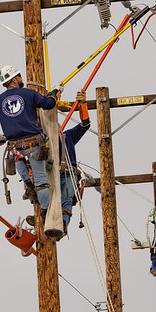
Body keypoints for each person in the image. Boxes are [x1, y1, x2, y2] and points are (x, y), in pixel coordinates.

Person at [0, 65, 60, 217]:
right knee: (41, 180)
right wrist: (55, 93)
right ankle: (45, 213)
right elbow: (48, 104)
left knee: (27, 174)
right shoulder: (28, 94)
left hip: (15, 149)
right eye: (19, 76)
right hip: (33, 145)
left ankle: (28, 186)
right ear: (14, 79)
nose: (21, 78)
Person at [58, 90, 91, 231]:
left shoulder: (67, 136)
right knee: (46, 202)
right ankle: (46, 223)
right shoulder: (42, 140)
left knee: (66, 201)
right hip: (50, 175)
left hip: (69, 173)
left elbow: (85, 124)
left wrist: (82, 105)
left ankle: (63, 226)